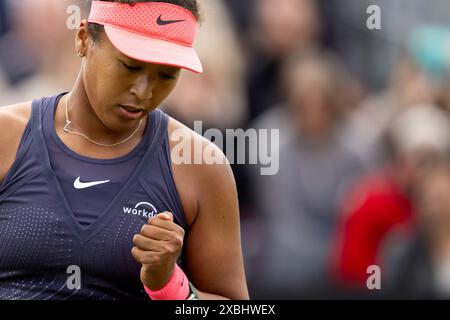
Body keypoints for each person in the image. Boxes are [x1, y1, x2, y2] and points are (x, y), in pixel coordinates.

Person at [0, 0, 249, 300]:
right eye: (129, 66)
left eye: (166, 76)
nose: (144, 91)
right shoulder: (7, 136)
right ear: (83, 39)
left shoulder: (201, 167)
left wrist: (171, 287)